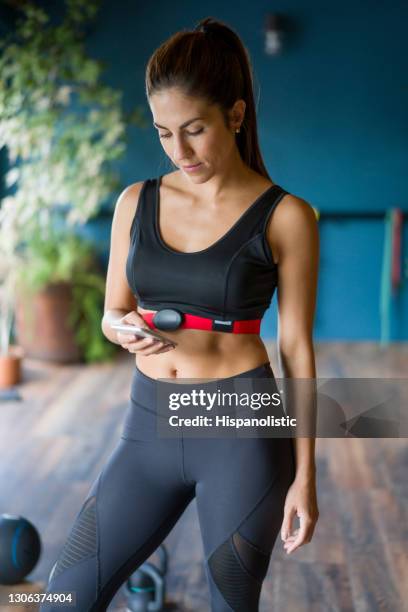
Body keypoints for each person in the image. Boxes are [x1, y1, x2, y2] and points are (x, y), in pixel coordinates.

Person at [41, 17, 319, 612]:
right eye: (164, 132)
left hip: (240, 425)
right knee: (61, 599)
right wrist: (121, 329)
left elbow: (296, 350)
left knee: (230, 604)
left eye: (194, 130)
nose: (179, 151)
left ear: (236, 116)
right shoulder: (135, 203)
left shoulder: (288, 216)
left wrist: (306, 476)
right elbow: (113, 313)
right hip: (147, 425)